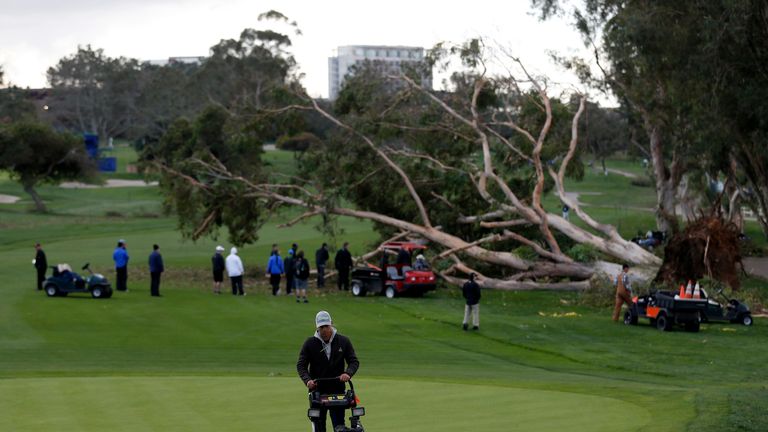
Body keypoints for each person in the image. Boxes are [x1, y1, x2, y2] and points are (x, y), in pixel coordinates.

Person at [297, 311, 359, 432]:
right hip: (317, 391)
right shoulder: (310, 343)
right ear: (317, 327)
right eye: (321, 327)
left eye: (326, 326)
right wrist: (307, 380)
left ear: (331, 324)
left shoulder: (343, 341)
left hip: (338, 392)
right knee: (319, 426)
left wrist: (348, 373)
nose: (324, 330)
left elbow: (354, 361)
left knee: (339, 427)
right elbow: (301, 365)